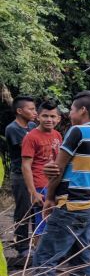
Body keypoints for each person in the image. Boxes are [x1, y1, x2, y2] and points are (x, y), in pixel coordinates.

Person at [26, 91, 90, 276]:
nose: (69, 114)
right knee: (80, 255)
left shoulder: (77, 131)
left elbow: (57, 169)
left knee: (44, 256)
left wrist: (50, 198)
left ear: (82, 111)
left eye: (71, 109)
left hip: (69, 204)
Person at [21, 101, 62, 241]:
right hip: (40, 186)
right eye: (45, 116)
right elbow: (26, 165)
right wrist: (33, 192)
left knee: (53, 223)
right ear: (38, 117)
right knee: (41, 225)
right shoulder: (31, 137)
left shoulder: (57, 135)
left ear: (58, 118)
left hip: (54, 185)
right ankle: (39, 259)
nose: (49, 120)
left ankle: (50, 257)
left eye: (52, 116)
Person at [6, 95, 37, 262]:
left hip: (36, 174)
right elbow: (30, 149)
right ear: (19, 111)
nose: (35, 112)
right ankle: (23, 247)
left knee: (37, 209)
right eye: (31, 109)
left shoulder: (32, 125)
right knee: (23, 210)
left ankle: (37, 243)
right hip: (20, 175)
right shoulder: (13, 129)